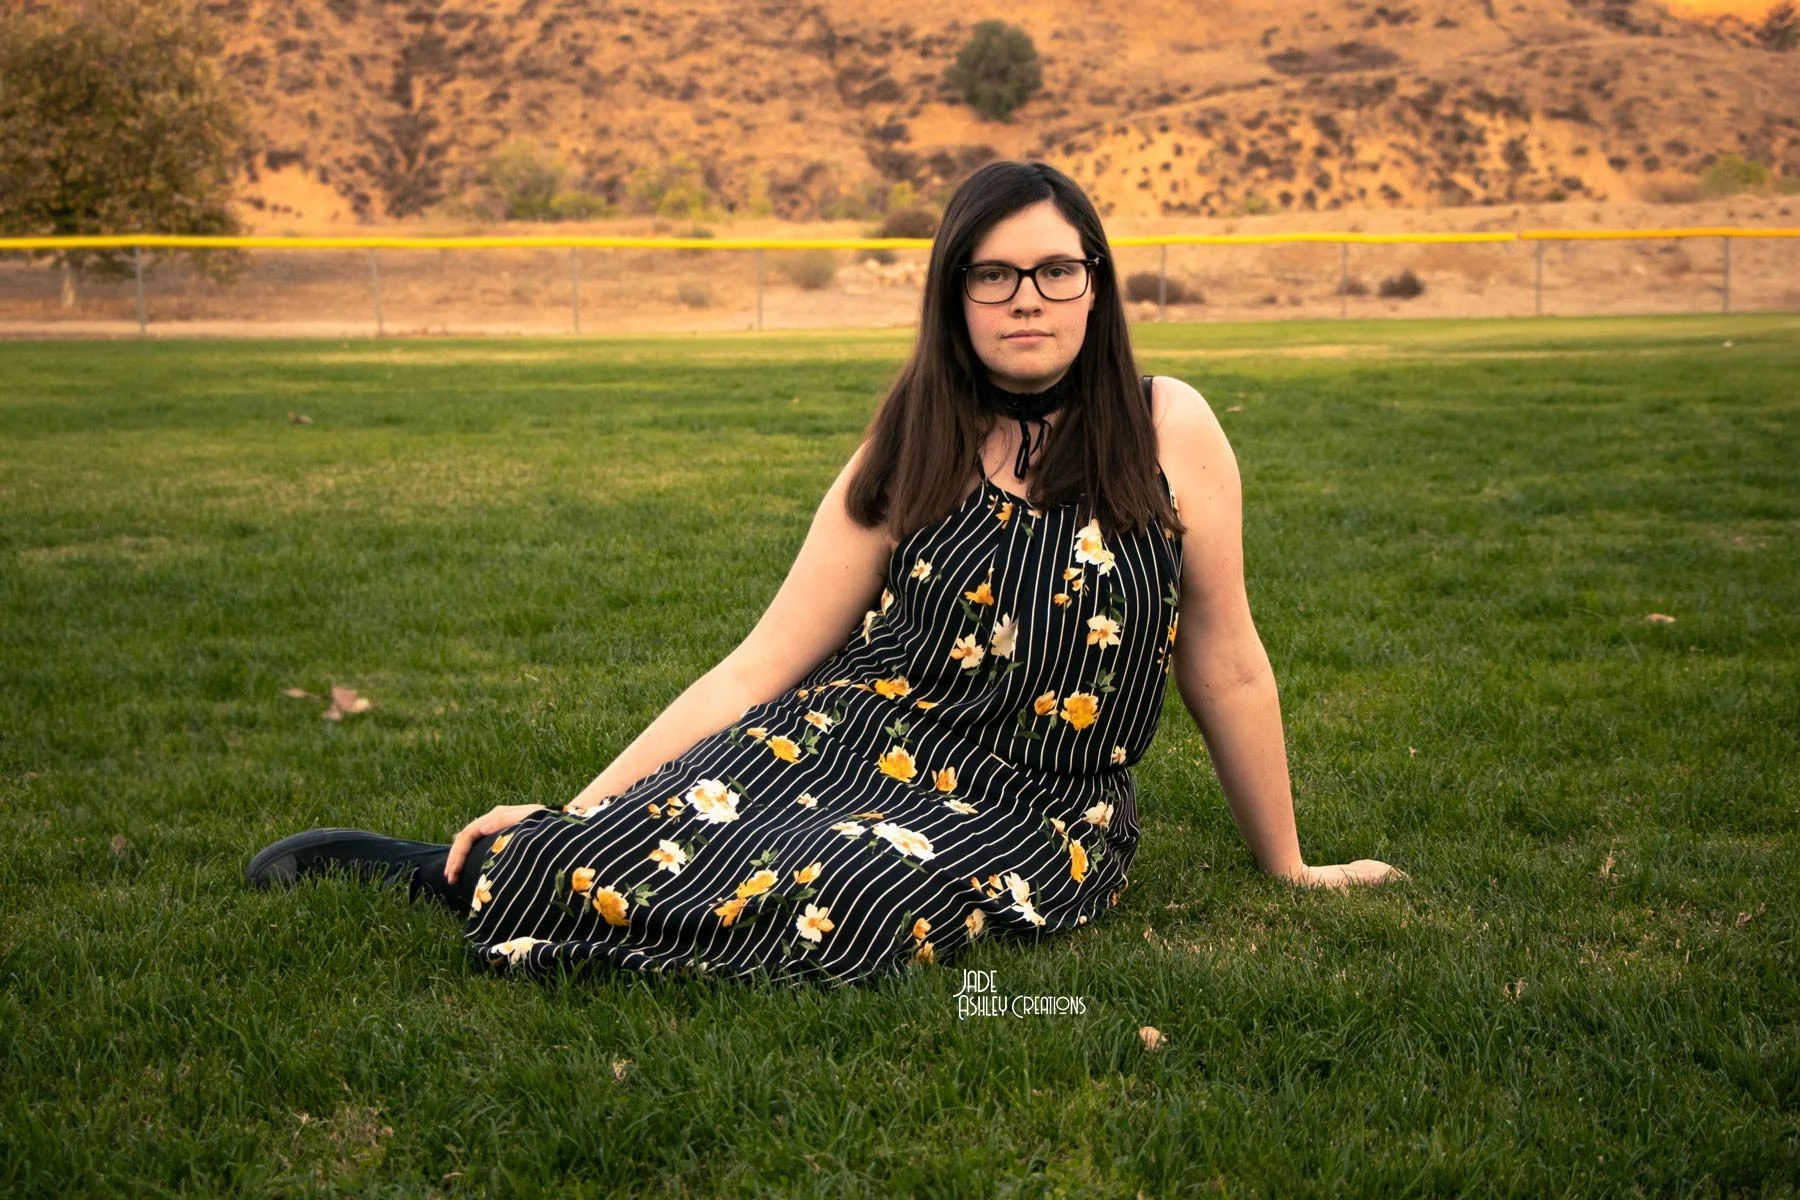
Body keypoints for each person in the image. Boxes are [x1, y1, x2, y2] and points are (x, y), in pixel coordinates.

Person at [247, 160, 1403, 985]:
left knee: (842, 890)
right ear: (955, 297)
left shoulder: (1171, 427)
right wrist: (585, 802)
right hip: (845, 735)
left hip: (1038, 805)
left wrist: (1289, 867)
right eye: (992, 276)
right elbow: (763, 658)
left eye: (1055, 270)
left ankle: (581, 890)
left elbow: (1227, 661)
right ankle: (493, 861)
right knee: (683, 821)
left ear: (1097, 284)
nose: (1027, 299)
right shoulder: (916, 438)